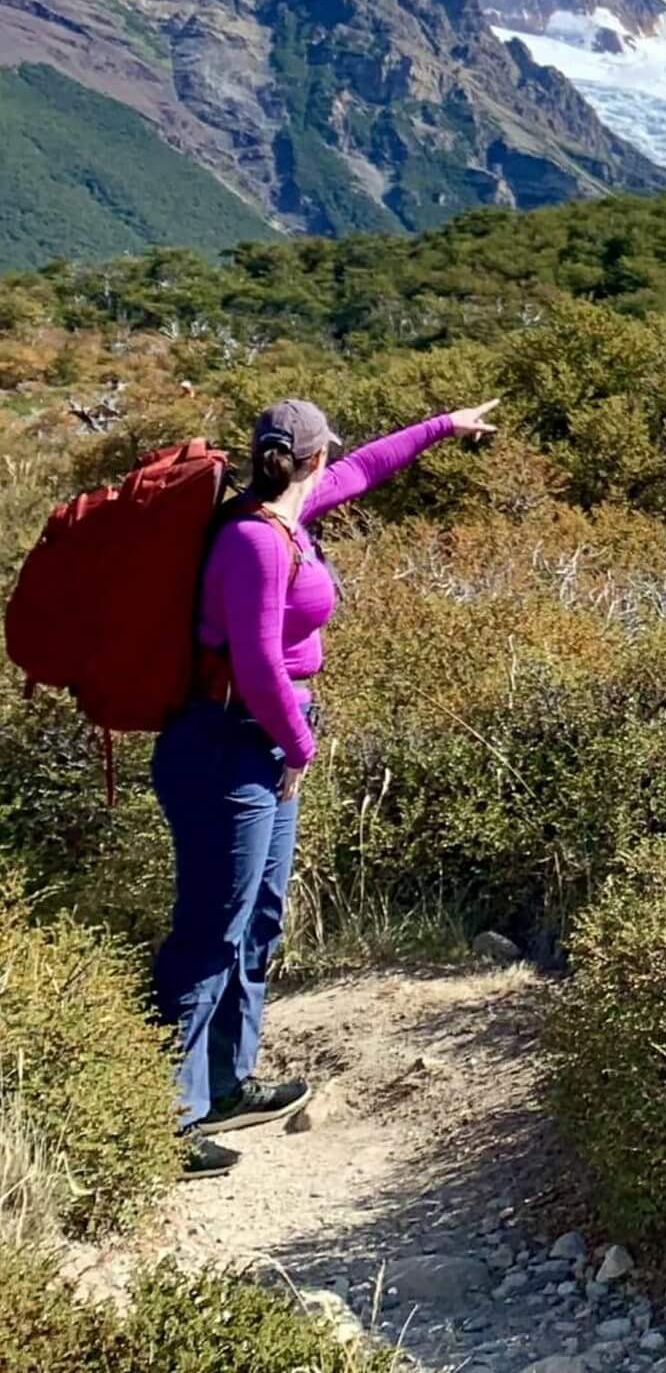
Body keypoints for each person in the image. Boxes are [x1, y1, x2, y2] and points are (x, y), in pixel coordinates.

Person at [156, 395, 500, 1175]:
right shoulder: (253, 540)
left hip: (258, 747)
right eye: (325, 455)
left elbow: (365, 468)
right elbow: (256, 664)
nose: (332, 467)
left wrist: (445, 425)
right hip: (228, 749)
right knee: (212, 928)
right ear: (308, 458)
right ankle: (162, 1120)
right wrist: (300, 747)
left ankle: (225, 1083)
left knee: (258, 920)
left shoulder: (287, 510)